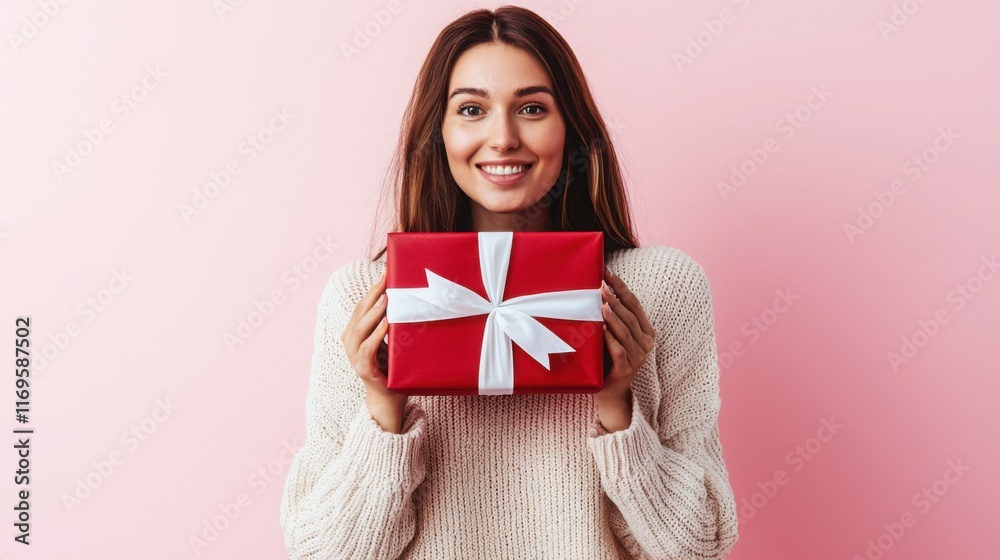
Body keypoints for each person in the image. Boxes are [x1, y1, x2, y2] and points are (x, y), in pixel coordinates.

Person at [280, 6, 738, 559]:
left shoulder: (660, 289)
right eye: (471, 109)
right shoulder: (366, 298)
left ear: (571, 127)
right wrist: (383, 409)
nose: (502, 137)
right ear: (438, 132)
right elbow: (321, 553)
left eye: (531, 108)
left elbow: (701, 547)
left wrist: (619, 407)